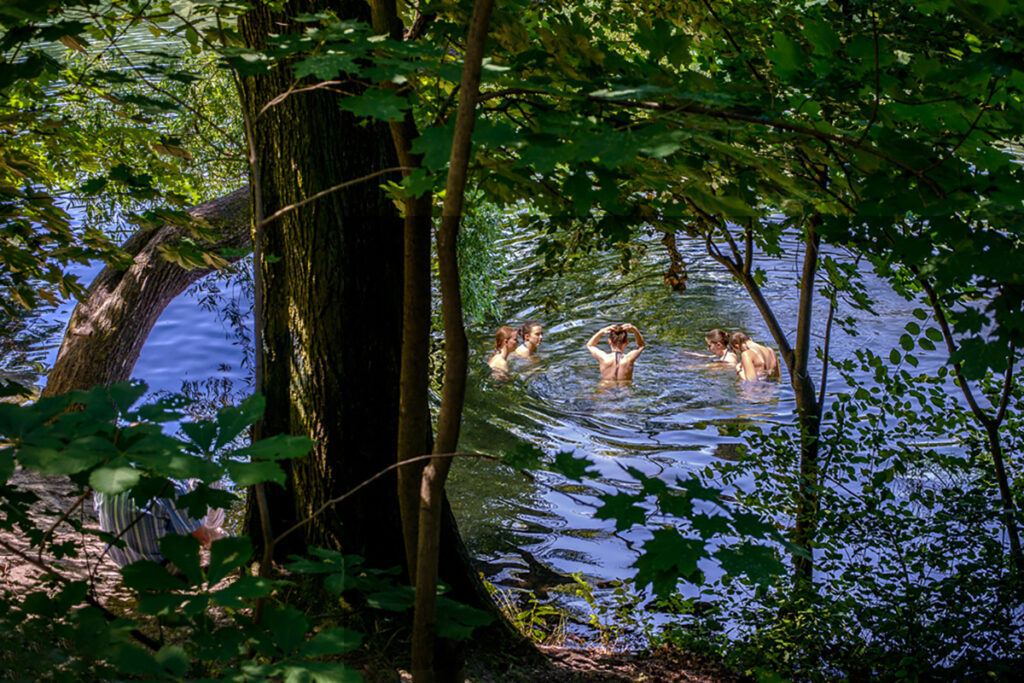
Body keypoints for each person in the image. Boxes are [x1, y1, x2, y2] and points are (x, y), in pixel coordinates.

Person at [95, 480, 226, 568]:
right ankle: (211, 526)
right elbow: (203, 538)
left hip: (121, 561)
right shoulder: (168, 487)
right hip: (159, 566)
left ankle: (201, 525)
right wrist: (221, 537)